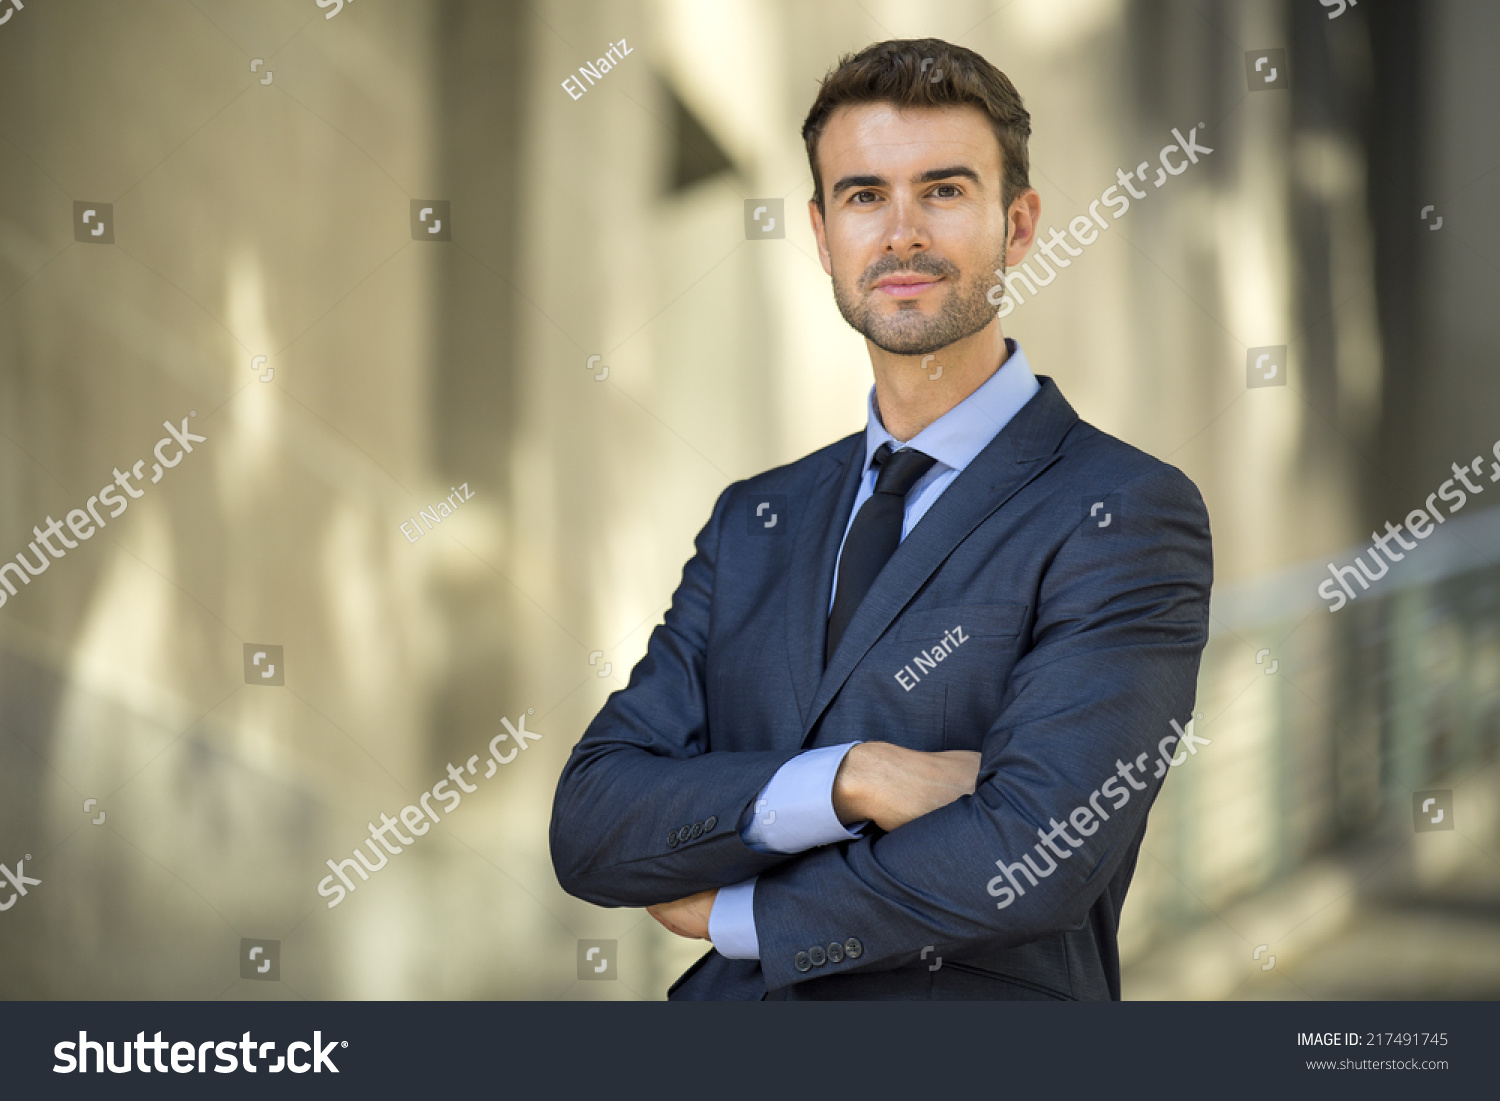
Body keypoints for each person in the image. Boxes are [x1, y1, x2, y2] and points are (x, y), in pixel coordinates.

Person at [549, 37, 1213, 1000]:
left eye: (943, 191)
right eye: (865, 196)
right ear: (823, 236)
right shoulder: (755, 520)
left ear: (1018, 225)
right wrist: (851, 777)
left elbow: (1035, 854)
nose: (901, 233)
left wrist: (738, 912)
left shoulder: (1121, 510)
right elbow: (595, 819)